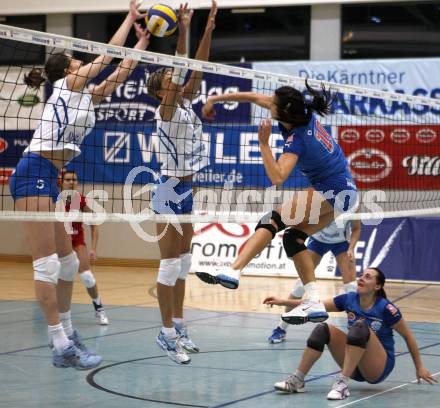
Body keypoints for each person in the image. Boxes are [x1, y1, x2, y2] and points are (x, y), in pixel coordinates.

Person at [9, 2, 149, 370]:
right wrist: (128, 19)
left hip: (49, 178)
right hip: (33, 170)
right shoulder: (65, 86)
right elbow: (105, 58)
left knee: (69, 263)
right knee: (47, 266)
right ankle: (59, 343)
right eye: (75, 58)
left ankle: (69, 334)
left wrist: (143, 41)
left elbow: (122, 69)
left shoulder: (86, 96)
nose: (79, 61)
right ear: (69, 68)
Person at [196, 82, 358, 325]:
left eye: (272, 102)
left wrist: (263, 144)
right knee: (294, 238)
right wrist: (214, 100)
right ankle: (313, 301)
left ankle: (234, 269)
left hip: (332, 188)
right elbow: (252, 97)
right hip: (347, 190)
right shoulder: (303, 114)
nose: (267, 102)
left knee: (271, 220)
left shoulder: (297, 139)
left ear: (281, 112)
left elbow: (278, 177)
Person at [146, 1, 217, 365]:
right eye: (169, 81)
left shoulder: (185, 104)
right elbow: (180, 65)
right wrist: (184, 30)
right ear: (162, 91)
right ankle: (165, 332)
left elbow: (197, 68)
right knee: (169, 265)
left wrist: (205, 30)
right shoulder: (167, 109)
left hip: (187, 189)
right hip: (168, 190)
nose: (175, 82)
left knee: (185, 262)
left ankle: (179, 325)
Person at [263, 267, 437, 400]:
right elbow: (313, 304)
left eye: (368, 277)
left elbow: (408, 336)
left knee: (360, 326)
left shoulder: (386, 308)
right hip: (354, 362)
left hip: (377, 367)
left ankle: (342, 384)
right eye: (361, 275)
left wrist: (419, 367)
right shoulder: (349, 299)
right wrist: (282, 301)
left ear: (377, 286)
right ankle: (297, 380)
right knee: (322, 328)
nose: (361, 278)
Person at [268, 218, 361, 343]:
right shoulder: (320, 201)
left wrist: (351, 248)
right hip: (318, 241)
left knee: (352, 288)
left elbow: (356, 228)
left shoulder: (352, 204)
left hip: (342, 243)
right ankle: (281, 328)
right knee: (300, 286)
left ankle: (358, 329)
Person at [61, 170, 109, 325]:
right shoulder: (54, 200)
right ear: (62, 182)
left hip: (77, 242)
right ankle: (60, 313)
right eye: (68, 179)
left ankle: (99, 308)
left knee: (87, 277)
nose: (71, 182)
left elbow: (94, 225)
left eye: (74, 179)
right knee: (55, 277)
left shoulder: (81, 201)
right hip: (59, 243)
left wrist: (93, 249)